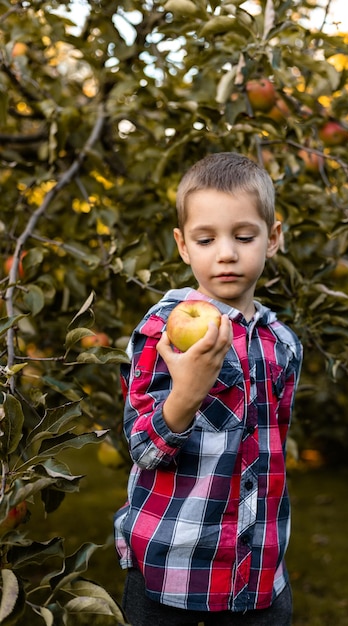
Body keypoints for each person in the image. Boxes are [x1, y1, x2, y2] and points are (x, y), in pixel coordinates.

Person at [114, 152, 303, 626]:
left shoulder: (282, 344)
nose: (226, 253)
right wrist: (188, 392)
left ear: (272, 238)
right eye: (206, 239)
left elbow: (268, 455)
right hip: (169, 564)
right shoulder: (161, 330)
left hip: (257, 568)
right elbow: (143, 447)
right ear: (182, 246)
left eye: (244, 236)